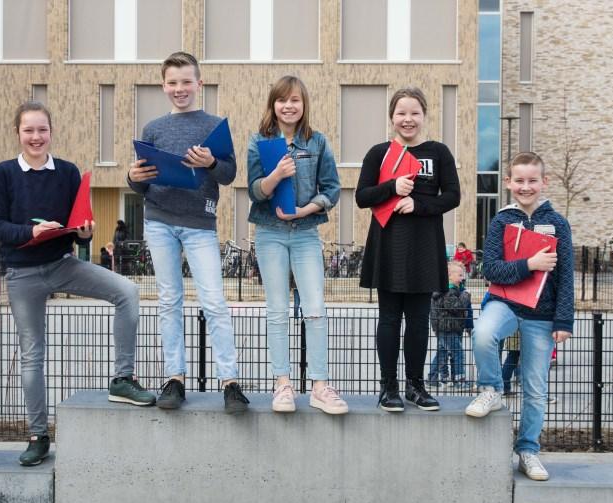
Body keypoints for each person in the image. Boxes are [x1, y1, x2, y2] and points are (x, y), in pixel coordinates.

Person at [0, 100, 155, 467]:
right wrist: (30, 231)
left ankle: (123, 379)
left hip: (62, 263)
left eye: (42, 130)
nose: (36, 137)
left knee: (127, 292)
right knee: (33, 354)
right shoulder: (3, 174)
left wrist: (84, 232)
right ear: (17, 133)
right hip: (23, 273)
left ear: (51, 132)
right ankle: (38, 434)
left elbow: (78, 233)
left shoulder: (66, 173)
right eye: (29, 130)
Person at [127, 52, 249, 413]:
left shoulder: (213, 126)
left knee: (214, 302)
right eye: (172, 82)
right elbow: (141, 182)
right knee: (169, 302)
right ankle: (174, 379)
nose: (179, 88)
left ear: (199, 83)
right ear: (164, 86)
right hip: (159, 220)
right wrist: (132, 179)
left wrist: (210, 162)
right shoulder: (153, 129)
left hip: (200, 224)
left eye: (186, 81)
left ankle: (230, 382)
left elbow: (228, 174)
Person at [466, 151, 574, 481]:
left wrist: (563, 321)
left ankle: (528, 450)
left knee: (536, 388)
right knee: (483, 332)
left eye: (532, 180)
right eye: (519, 181)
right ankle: (491, 388)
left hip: (542, 314)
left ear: (544, 182)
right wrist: (529, 265)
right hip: (506, 303)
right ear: (509, 182)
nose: (526, 187)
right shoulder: (501, 221)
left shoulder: (558, 224)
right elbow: (492, 270)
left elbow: (566, 275)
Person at [355, 86, 460, 412]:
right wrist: (392, 188)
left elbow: (453, 197)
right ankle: (389, 388)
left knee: (418, 320)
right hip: (388, 245)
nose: (408, 119)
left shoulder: (438, 152)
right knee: (388, 319)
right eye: (401, 113)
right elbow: (362, 196)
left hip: (424, 248)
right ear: (392, 117)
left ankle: (416, 385)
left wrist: (418, 203)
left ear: (424, 116)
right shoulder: (379, 153)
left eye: (414, 112)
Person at [247, 76, 347, 414]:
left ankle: (319, 385)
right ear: (272, 104)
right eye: (282, 100)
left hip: (305, 232)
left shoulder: (316, 142)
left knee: (315, 307)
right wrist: (275, 176)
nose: (288, 106)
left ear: (304, 105)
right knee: (277, 310)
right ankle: (283, 385)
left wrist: (307, 208)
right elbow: (255, 190)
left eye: (295, 100)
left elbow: (332, 188)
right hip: (269, 232)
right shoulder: (259, 142)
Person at [428, 261, 471, 389]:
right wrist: (466, 295)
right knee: (457, 352)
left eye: (462, 274)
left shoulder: (448, 289)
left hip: (445, 327)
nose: (462, 277)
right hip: (448, 328)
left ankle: (432, 378)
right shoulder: (449, 290)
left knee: (442, 353)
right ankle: (459, 380)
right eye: (459, 275)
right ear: (449, 276)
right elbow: (456, 307)